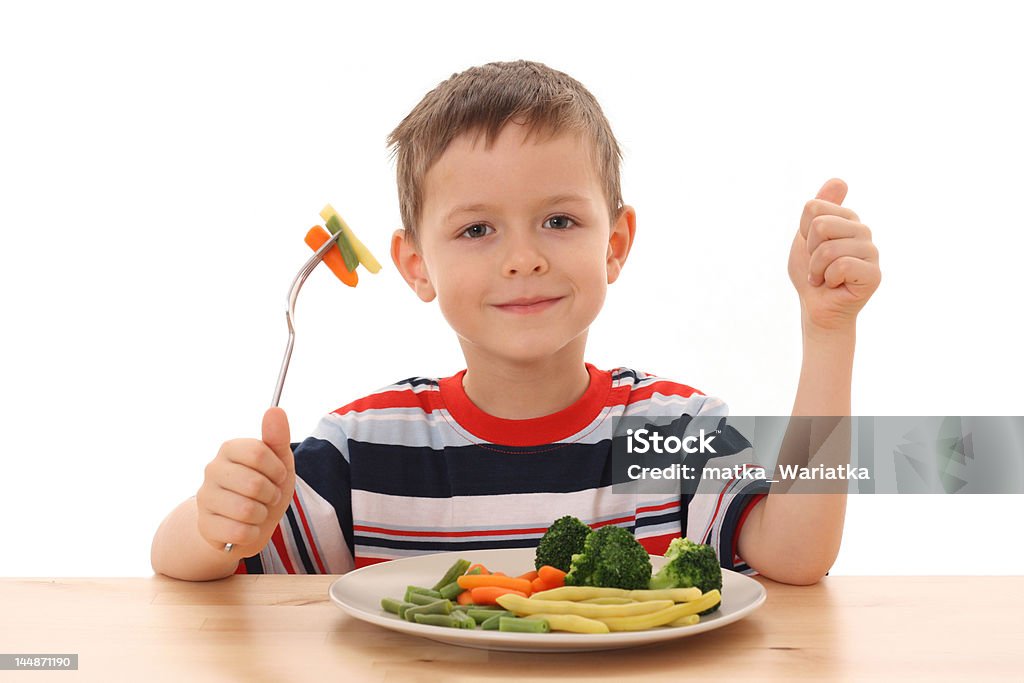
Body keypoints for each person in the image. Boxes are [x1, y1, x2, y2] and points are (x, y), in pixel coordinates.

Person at [151, 59, 880, 583]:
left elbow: (797, 553)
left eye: (558, 220)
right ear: (416, 266)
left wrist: (828, 332)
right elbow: (180, 562)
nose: (523, 258)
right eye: (477, 230)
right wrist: (216, 523)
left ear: (615, 244)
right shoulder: (360, 449)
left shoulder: (675, 430)